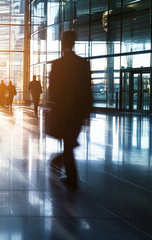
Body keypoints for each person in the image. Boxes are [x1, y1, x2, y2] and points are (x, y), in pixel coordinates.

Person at [49, 30, 92, 188]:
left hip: (63, 112)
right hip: (78, 112)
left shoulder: (57, 64)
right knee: (70, 142)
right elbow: (87, 90)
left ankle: (67, 172)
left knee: (68, 143)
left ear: (62, 43)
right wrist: (87, 113)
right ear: (74, 43)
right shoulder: (83, 63)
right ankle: (66, 169)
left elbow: (53, 91)